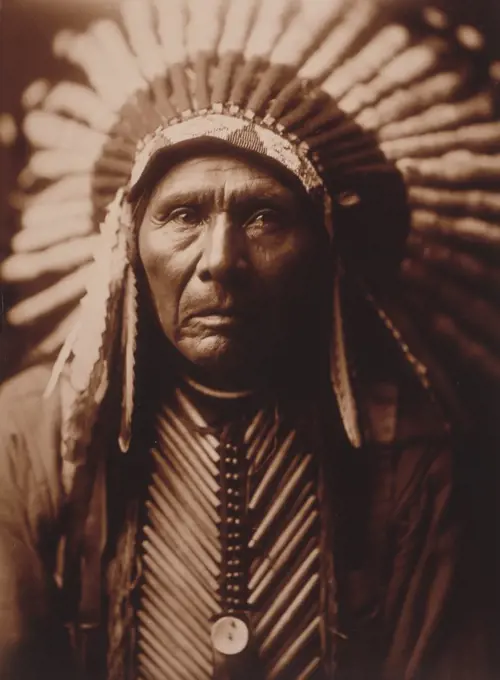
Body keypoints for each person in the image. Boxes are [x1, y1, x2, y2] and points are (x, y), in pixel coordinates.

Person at [0, 0, 496, 678]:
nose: (220, 261)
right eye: (183, 215)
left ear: (324, 249)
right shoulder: (37, 439)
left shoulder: (409, 450)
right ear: (128, 248)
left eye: (264, 216)